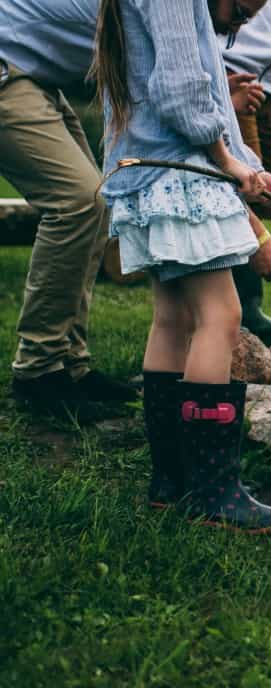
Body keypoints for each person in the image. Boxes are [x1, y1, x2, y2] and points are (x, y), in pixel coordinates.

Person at [93, 0, 271, 533]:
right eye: (243, 7)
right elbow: (182, 92)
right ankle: (215, 492)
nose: (244, 21)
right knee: (221, 317)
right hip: (177, 175)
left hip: (147, 171)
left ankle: (172, 481)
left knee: (174, 321)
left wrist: (254, 173)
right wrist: (233, 168)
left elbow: (201, 102)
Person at [0, 0, 138, 422]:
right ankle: (38, 371)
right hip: (7, 71)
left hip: (37, 79)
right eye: (240, 13)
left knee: (97, 203)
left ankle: (70, 365)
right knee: (78, 202)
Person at [222, 0, 271, 345]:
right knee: (237, 189)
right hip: (232, 70)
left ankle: (245, 307)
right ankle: (240, 308)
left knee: (263, 194)